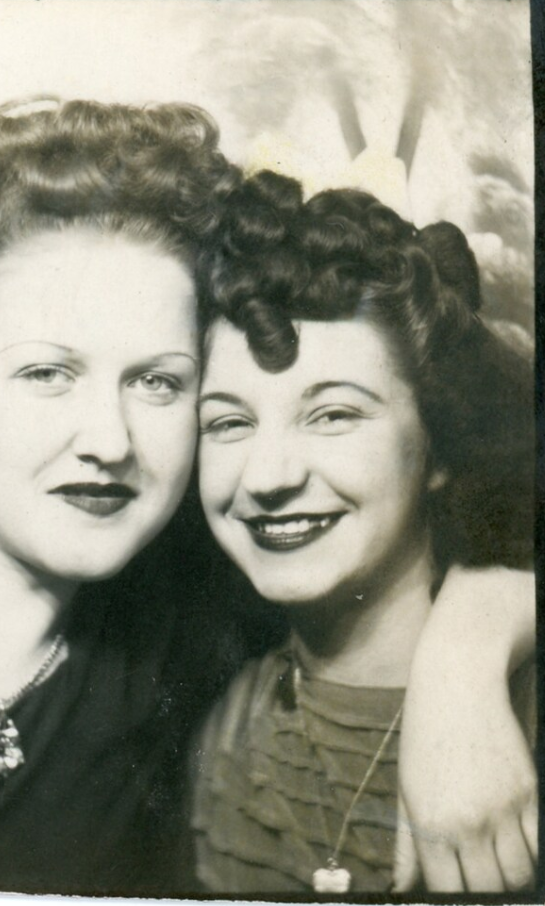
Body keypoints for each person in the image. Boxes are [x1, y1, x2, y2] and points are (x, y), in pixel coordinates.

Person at [0, 99, 535, 896]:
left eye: (157, 381)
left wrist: (464, 655)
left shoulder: (197, 604)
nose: (109, 442)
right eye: (47, 373)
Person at [192, 175, 537, 893]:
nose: (268, 475)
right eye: (228, 422)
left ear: (439, 445)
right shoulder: (221, 727)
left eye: (334, 415)